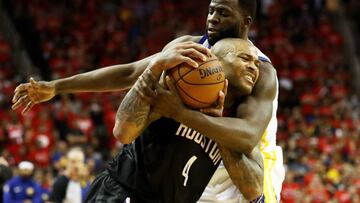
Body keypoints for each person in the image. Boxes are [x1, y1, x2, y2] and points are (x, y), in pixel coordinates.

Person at [12, 0, 284, 201]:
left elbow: (247, 137)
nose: (212, 18)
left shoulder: (257, 70)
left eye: (223, 13)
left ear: (245, 22)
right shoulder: (190, 47)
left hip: (233, 165)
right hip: (183, 168)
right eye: (211, 10)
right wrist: (58, 87)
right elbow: (131, 72)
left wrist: (179, 112)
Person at [109, 38, 264, 203]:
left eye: (257, 64)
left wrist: (214, 128)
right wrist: (153, 68)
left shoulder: (241, 122)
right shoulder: (176, 87)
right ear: (216, 61)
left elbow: (253, 189)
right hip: (123, 193)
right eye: (245, 58)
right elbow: (122, 133)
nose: (253, 67)